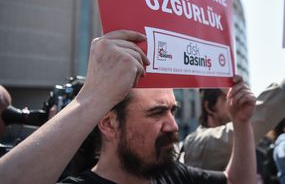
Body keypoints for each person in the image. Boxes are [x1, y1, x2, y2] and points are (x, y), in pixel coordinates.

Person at [0, 30, 257, 184]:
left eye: (172, 110)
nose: (173, 125)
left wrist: (242, 122)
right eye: (157, 112)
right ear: (110, 123)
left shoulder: (171, 175)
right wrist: (91, 99)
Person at [183, 34, 285, 171]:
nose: (237, 101)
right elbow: (248, 126)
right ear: (209, 107)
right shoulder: (197, 143)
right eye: (228, 97)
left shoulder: (260, 145)